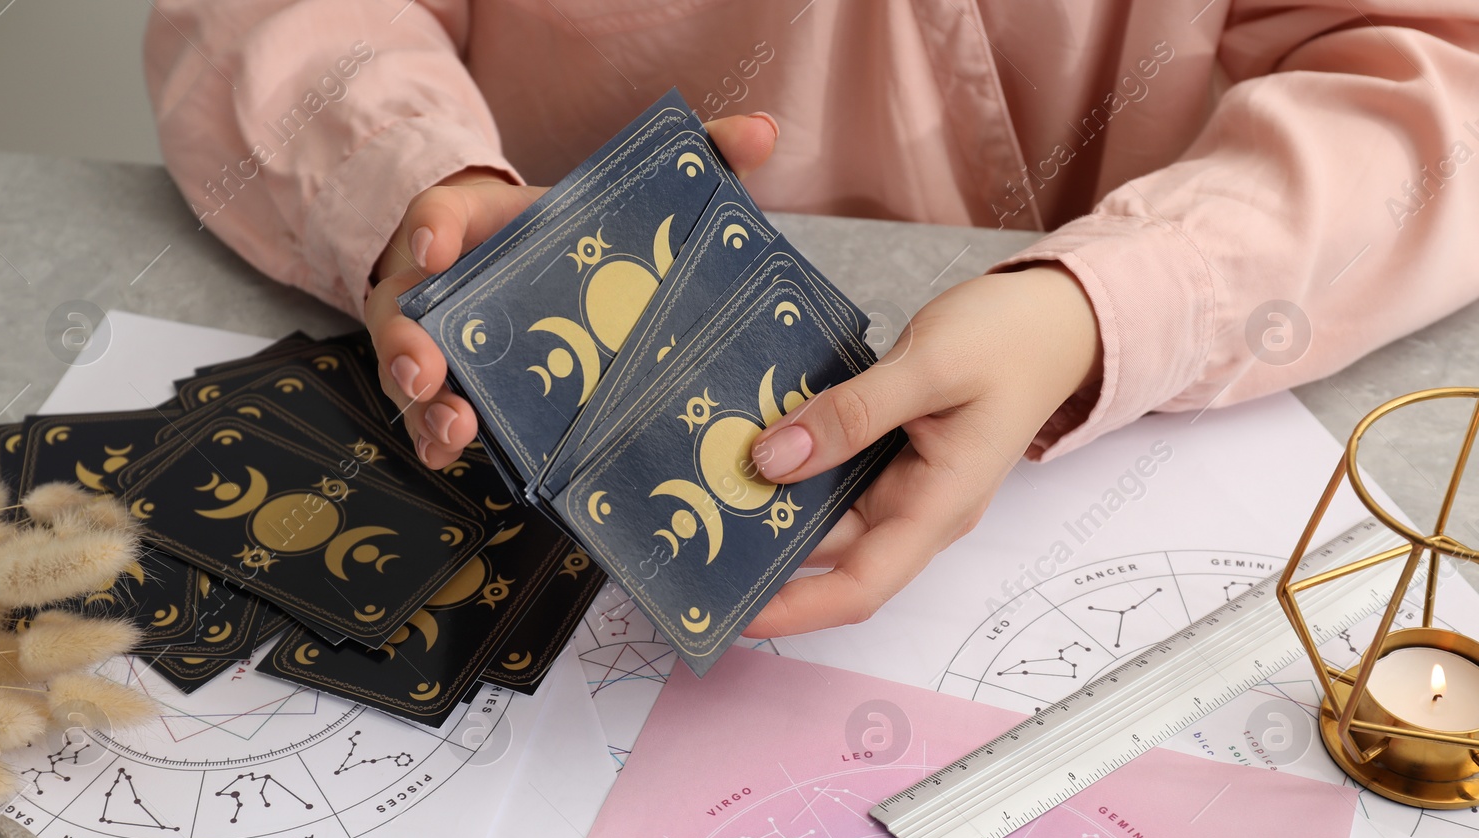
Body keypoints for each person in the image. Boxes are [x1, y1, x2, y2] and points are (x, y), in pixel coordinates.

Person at [145, 0, 1479, 636]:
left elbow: (1437, 71)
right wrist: (415, 185)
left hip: (1116, 444)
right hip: (526, 425)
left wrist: (1100, 306)